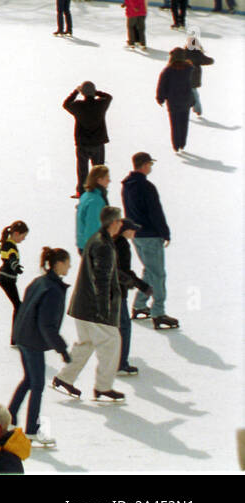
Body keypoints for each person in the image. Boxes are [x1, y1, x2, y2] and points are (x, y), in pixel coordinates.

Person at [53, 206, 127, 403]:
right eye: (119, 221)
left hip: (82, 305)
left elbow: (105, 274)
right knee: (112, 342)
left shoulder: (97, 239)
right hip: (93, 308)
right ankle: (103, 387)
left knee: (86, 343)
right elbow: (101, 279)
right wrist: (103, 309)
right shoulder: (103, 245)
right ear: (113, 223)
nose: (121, 224)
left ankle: (64, 378)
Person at [9, 247, 72, 448]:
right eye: (67, 262)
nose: (70, 266)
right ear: (58, 264)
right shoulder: (52, 290)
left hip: (23, 337)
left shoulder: (39, 282)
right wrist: (61, 349)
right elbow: (46, 324)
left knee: (29, 380)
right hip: (33, 341)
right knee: (37, 385)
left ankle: (9, 419)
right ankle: (32, 431)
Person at [122, 152, 177, 329]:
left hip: (136, 235)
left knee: (149, 271)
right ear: (144, 165)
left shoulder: (127, 186)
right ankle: (158, 312)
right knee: (158, 274)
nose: (151, 167)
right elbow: (155, 212)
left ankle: (139, 305)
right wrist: (165, 232)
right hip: (151, 235)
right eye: (150, 164)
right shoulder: (147, 187)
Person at [113, 218, 151, 377]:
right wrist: (141, 285)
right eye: (132, 229)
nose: (134, 232)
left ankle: (115, 361)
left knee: (116, 327)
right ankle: (120, 364)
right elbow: (123, 271)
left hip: (110, 291)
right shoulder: (121, 244)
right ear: (124, 230)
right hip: (117, 291)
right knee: (124, 327)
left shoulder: (112, 241)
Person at [63, 81, 112, 198]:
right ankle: (100, 192)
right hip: (98, 144)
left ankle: (82, 193)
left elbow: (66, 104)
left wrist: (76, 92)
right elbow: (109, 97)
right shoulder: (101, 104)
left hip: (83, 144)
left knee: (82, 170)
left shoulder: (78, 106)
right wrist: (96, 93)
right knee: (99, 169)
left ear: (83, 93)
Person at [0, 221, 30, 344]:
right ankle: (15, 339)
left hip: (5, 278)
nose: (23, 239)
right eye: (23, 236)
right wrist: (16, 267)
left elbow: (3, 250)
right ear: (16, 233)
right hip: (7, 279)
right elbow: (12, 258)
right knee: (18, 306)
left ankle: (16, 336)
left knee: (18, 305)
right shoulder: (11, 247)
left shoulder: (7, 244)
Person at [155, 48, 195, 153]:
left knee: (175, 124)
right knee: (184, 123)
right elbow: (192, 85)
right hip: (186, 101)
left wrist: (160, 98)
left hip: (173, 102)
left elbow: (162, 85)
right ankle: (182, 143)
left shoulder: (168, 70)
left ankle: (176, 145)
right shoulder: (189, 69)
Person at [75, 165, 109, 253]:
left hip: (83, 243)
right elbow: (92, 225)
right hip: (91, 246)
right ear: (99, 180)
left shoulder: (86, 196)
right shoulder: (96, 200)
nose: (109, 181)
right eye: (107, 178)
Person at [184, 28, 214, 117]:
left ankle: (192, 108)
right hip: (194, 77)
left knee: (189, 93)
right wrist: (211, 60)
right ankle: (197, 109)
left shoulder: (185, 52)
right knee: (194, 93)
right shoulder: (197, 53)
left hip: (185, 76)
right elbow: (206, 60)